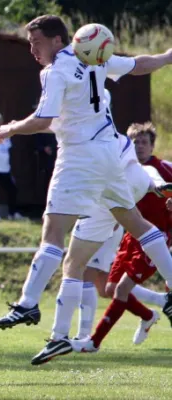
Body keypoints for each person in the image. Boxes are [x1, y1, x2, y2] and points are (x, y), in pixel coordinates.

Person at [0, 14, 172, 365]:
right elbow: (138, 65)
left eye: (37, 43)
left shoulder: (55, 71)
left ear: (59, 41)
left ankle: (28, 305)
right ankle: (60, 337)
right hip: (113, 157)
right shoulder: (93, 57)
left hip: (80, 161)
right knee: (112, 239)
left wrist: (12, 128)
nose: (32, 50)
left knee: (52, 234)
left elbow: (44, 120)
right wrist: (167, 56)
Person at [72, 123, 172, 352]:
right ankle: (149, 315)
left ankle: (93, 342)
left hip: (156, 238)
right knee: (109, 288)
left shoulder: (163, 169)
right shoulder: (122, 169)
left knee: (121, 290)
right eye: (134, 142)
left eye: (143, 142)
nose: (138, 147)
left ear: (152, 146)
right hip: (130, 237)